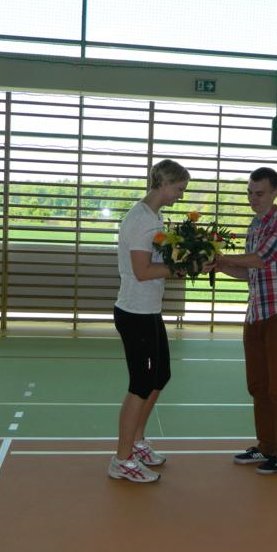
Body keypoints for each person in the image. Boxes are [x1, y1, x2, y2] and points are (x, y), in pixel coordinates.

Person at [108, 159, 210, 483]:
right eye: (180, 188)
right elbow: (142, 272)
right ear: (164, 184)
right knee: (140, 384)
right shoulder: (141, 220)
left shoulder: (155, 216)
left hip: (149, 310)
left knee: (160, 375)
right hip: (134, 312)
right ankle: (121, 459)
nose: (181, 194)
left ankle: (136, 443)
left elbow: (155, 264)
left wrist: (180, 262)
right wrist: (186, 267)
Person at [215, 167, 277, 474]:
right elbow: (248, 272)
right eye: (250, 193)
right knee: (258, 385)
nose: (253, 198)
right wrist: (218, 266)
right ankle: (265, 446)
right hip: (256, 314)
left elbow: (261, 259)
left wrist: (222, 257)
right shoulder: (254, 226)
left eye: (260, 193)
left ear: (275, 192)